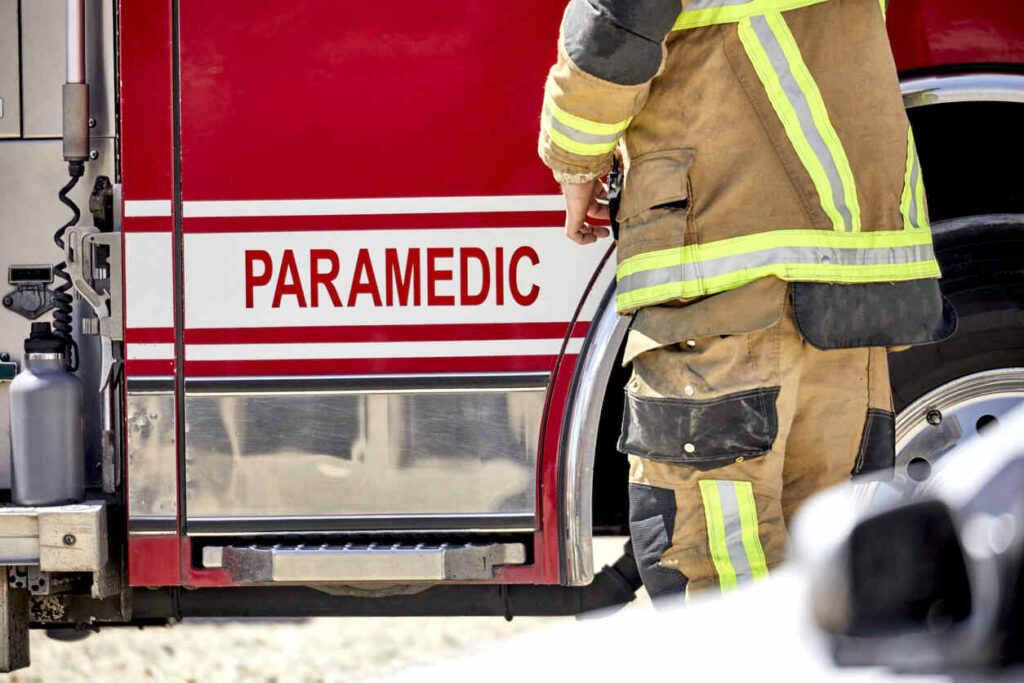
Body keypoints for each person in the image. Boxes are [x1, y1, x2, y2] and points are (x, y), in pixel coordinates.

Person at [538, 0, 956, 598]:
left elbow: (619, 15)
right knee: (834, 582)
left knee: (720, 588)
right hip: (856, 267)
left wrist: (574, 155)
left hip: (727, 257)